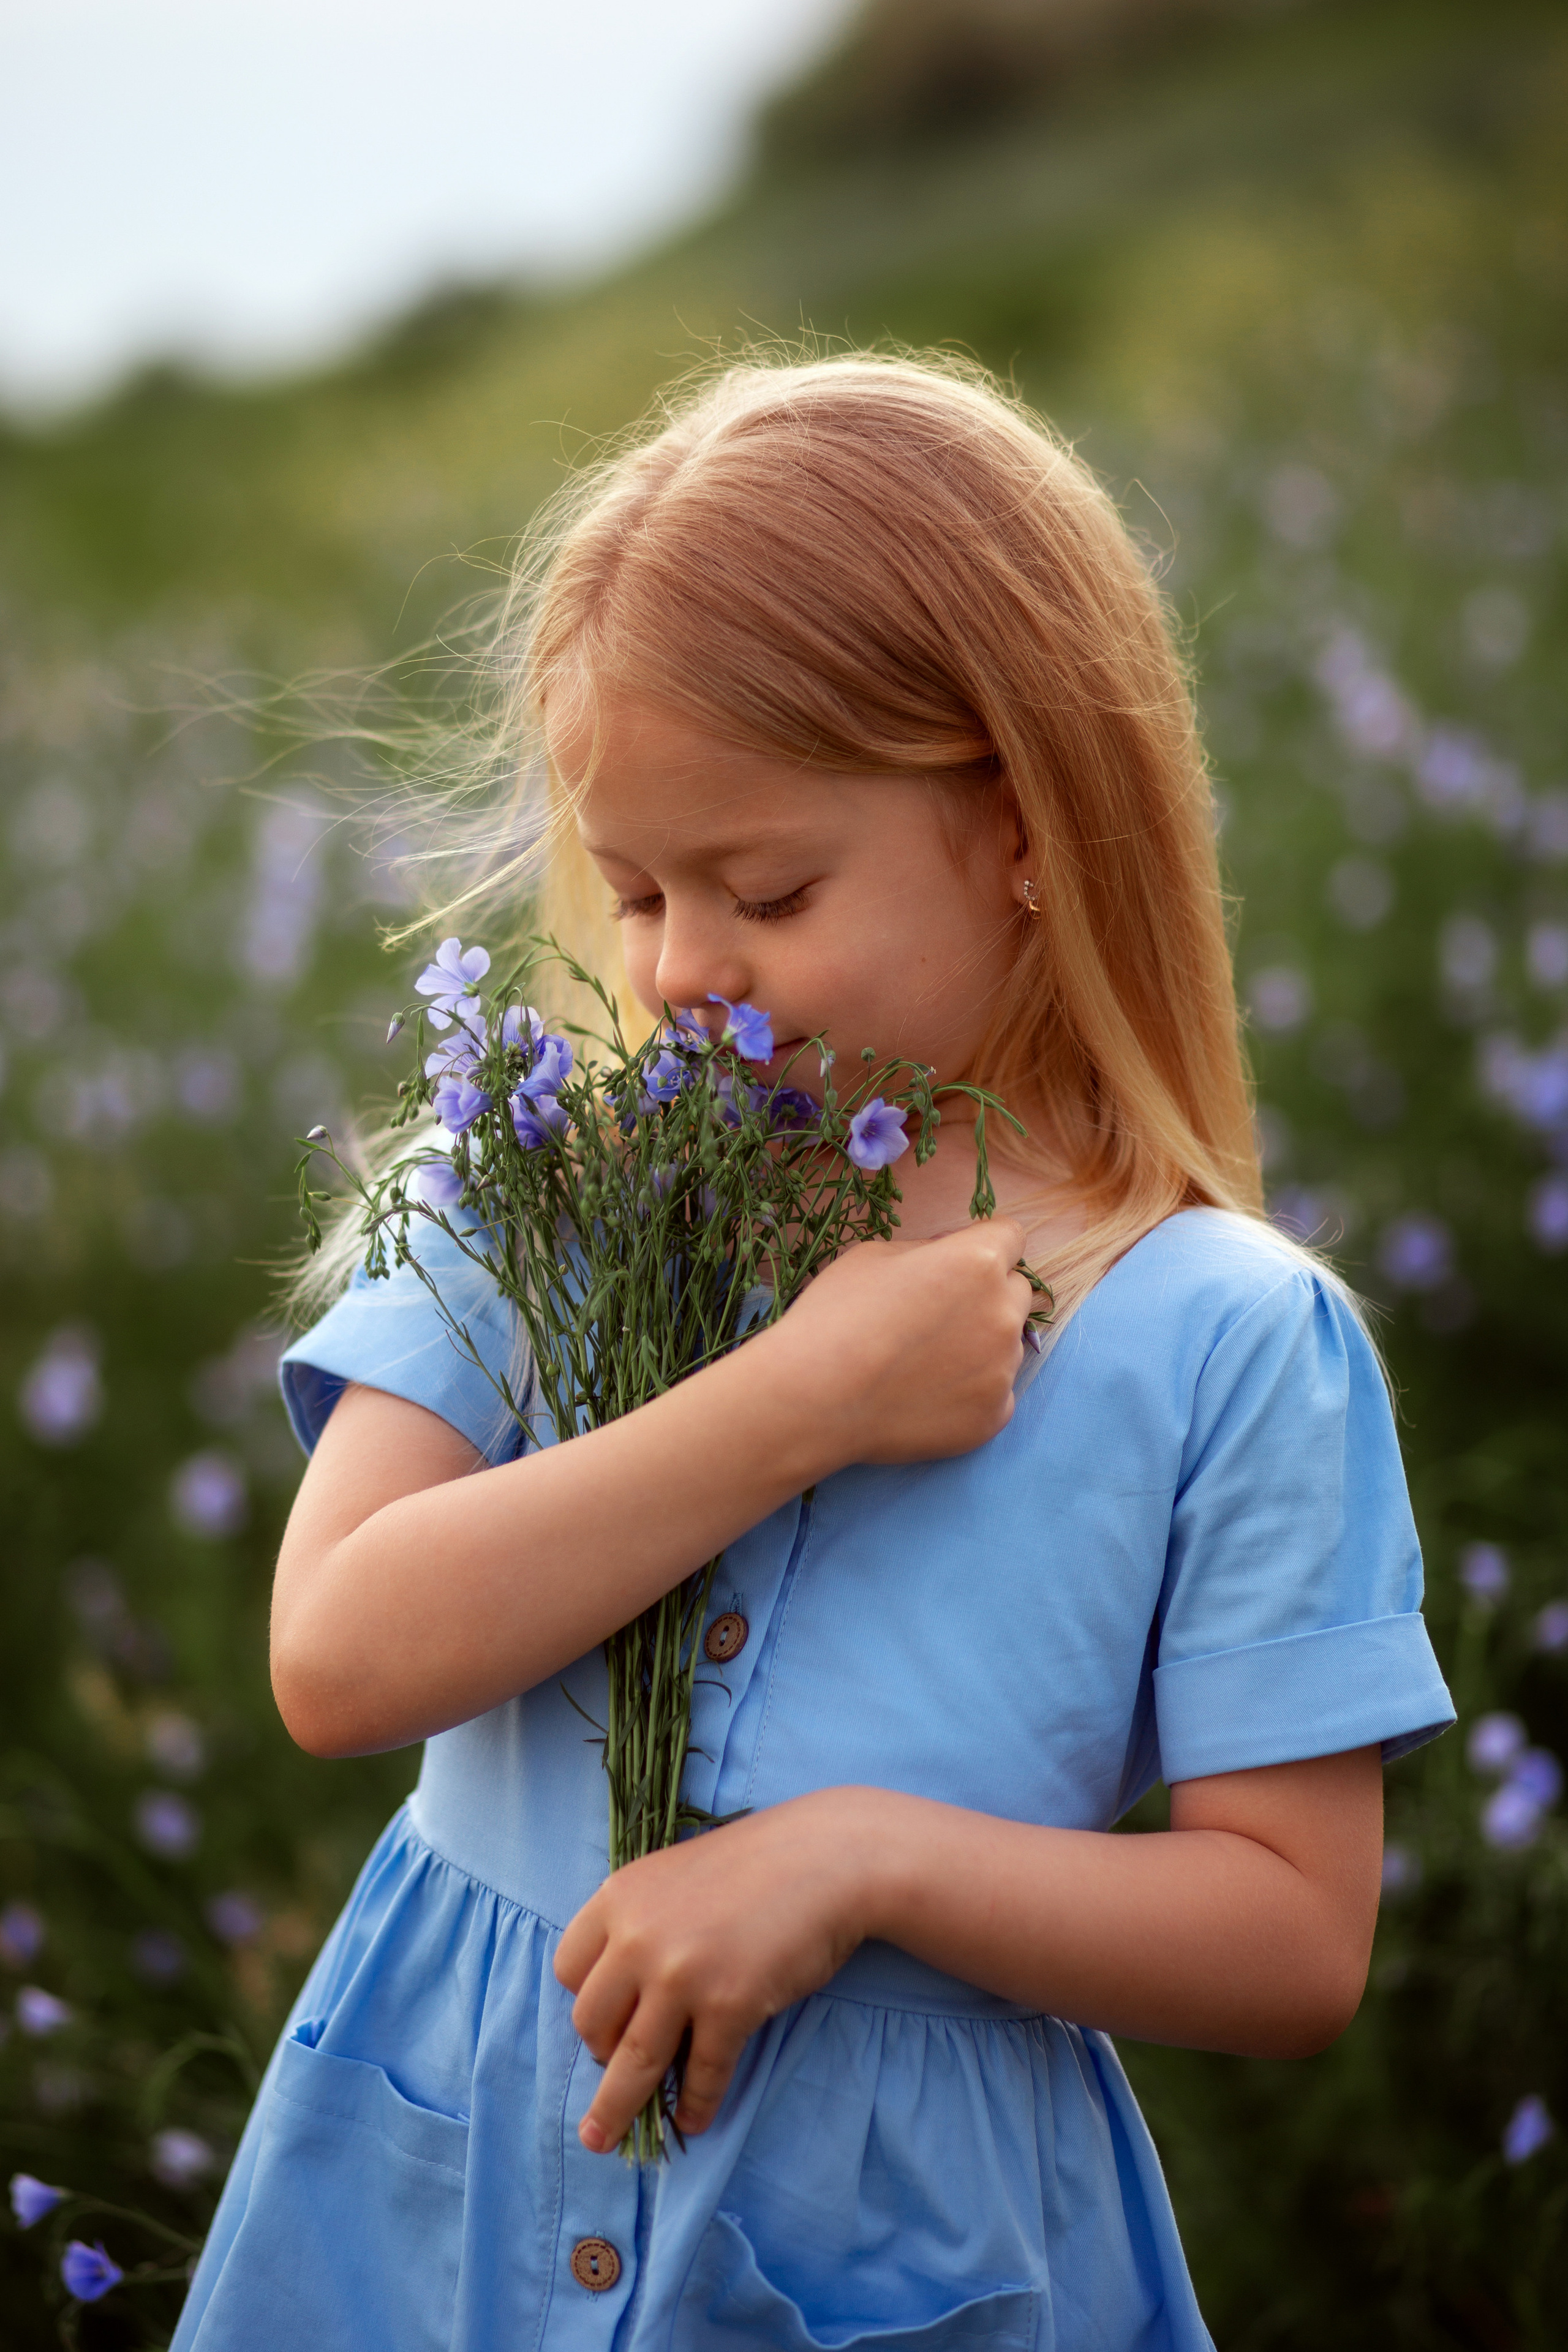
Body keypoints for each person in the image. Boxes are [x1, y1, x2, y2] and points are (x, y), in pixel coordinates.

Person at [173, 353, 1453, 2352]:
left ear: (1024, 823)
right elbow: (341, 1653)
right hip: (433, 2213)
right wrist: (797, 1402)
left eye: (767, 890)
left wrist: (863, 1865)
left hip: (899, 2261)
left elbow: (1293, 1937)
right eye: (637, 892)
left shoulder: (1223, 1338)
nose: (679, 968)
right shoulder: (540, 1187)